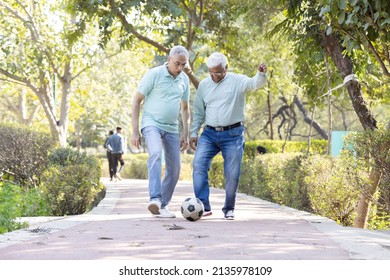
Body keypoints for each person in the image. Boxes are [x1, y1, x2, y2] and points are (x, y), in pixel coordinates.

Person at [189, 52, 267, 220]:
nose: (214, 76)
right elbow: (198, 112)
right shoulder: (204, 85)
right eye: (211, 72)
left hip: (233, 134)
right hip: (209, 134)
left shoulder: (237, 81)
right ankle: (203, 205)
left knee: (232, 173)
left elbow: (255, 83)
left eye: (218, 72)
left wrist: (260, 73)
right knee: (199, 166)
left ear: (226, 68)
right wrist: (194, 132)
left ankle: (229, 208)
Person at [131, 45, 191, 218]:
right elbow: (136, 101)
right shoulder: (154, 74)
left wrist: (185, 133)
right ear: (169, 59)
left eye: (183, 65)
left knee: (175, 168)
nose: (180, 68)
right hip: (151, 123)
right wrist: (135, 131)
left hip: (172, 127)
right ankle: (155, 198)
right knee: (156, 154)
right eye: (177, 64)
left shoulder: (184, 80)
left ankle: (162, 205)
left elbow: (185, 108)